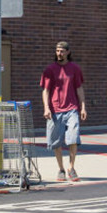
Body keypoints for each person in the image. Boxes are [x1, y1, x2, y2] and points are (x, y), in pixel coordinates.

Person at [40, 41, 86, 182]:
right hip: (55, 110)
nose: (59, 53)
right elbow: (45, 91)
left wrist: (83, 107)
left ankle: (71, 168)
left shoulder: (75, 69)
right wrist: (46, 108)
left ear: (68, 52)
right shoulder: (50, 69)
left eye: (62, 51)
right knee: (56, 142)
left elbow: (79, 89)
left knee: (73, 138)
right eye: (57, 50)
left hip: (72, 109)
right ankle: (61, 169)